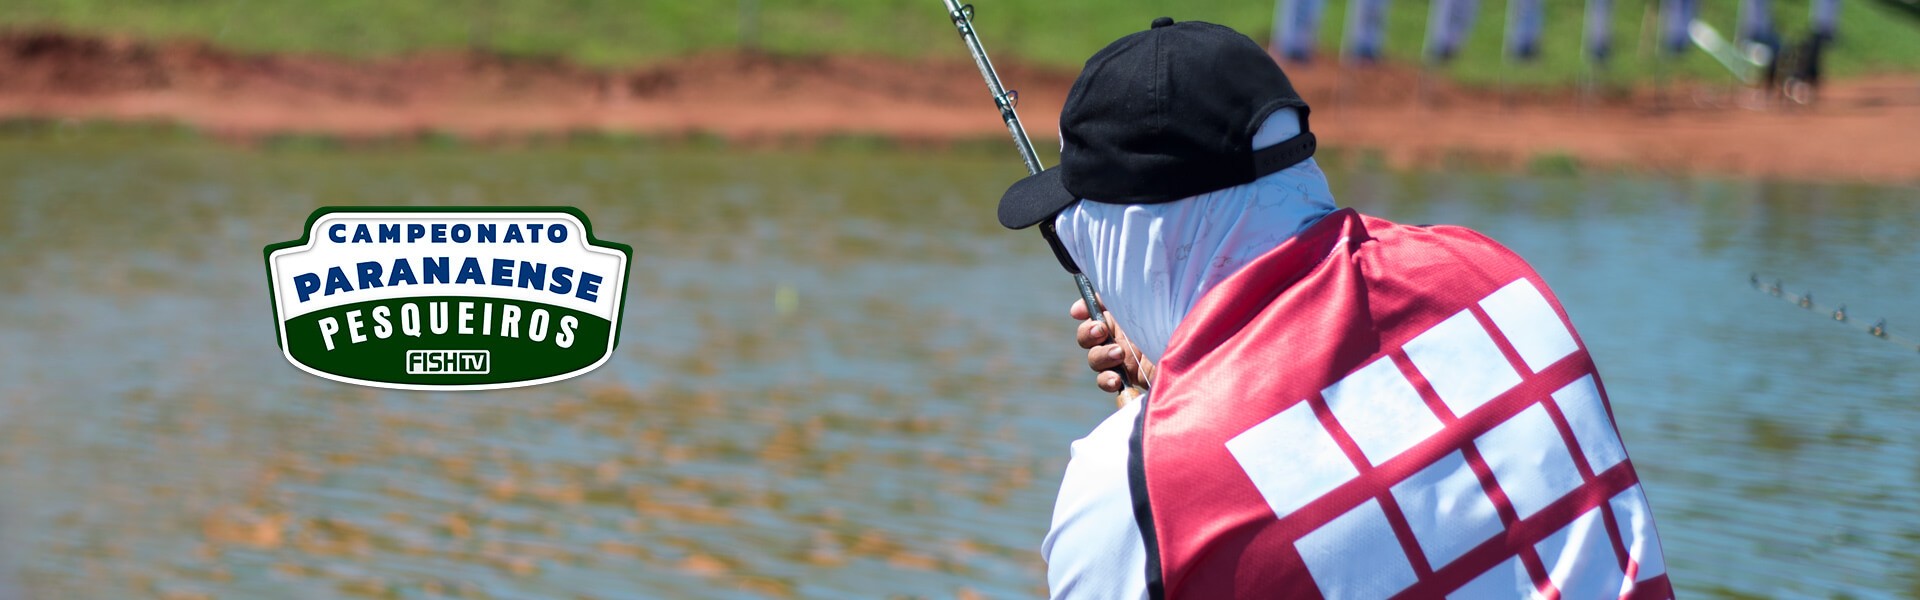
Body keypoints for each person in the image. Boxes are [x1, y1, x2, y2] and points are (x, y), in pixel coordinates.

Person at [996, 18, 1671, 599]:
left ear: (1140, 234)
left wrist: (1155, 437)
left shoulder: (1130, 488)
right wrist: (1178, 382)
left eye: (1071, 239)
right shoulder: (1495, 278)